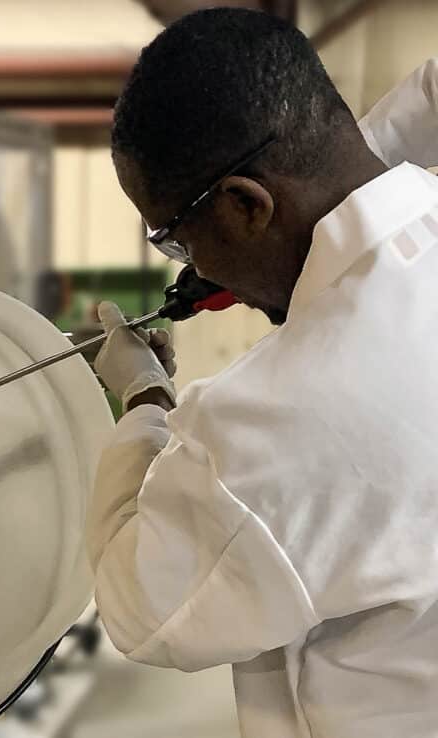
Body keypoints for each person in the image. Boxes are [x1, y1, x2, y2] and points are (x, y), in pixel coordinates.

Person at [88, 9, 438, 738]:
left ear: (246, 205)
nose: (195, 271)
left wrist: (141, 399)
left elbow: (137, 606)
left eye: (178, 240)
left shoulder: (281, 419)